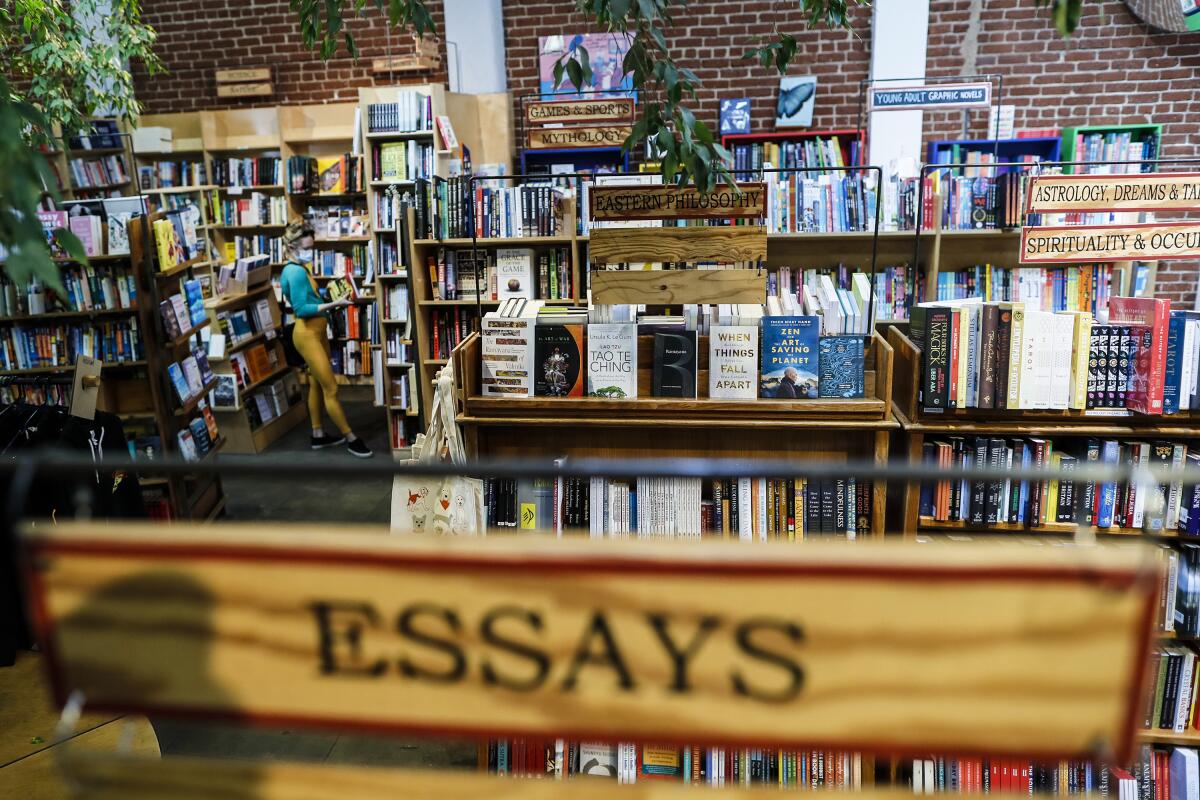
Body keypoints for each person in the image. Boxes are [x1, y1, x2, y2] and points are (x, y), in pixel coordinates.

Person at [278, 221, 373, 457]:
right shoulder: (296, 271)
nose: (310, 252)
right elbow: (301, 309)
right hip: (307, 334)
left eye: (312, 247)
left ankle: (318, 434)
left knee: (316, 384)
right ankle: (351, 437)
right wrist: (335, 303)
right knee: (331, 387)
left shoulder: (298, 268)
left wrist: (330, 292)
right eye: (307, 248)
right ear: (292, 247)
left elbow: (309, 298)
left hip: (316, 332)